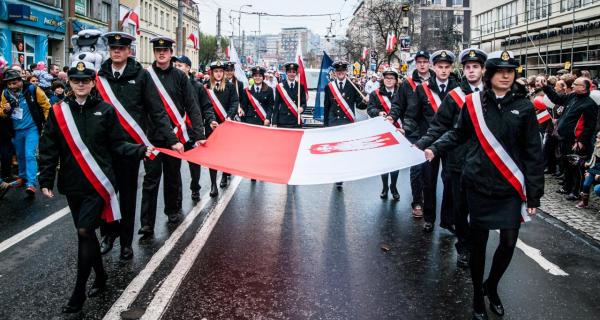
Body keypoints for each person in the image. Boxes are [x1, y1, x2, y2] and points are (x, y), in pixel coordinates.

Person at [424, 51, 543, 320]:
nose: (505, 75)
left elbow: (534, 152)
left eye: (510, 71)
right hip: (479, 182)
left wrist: (534, 195)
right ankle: (478, 293)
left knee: (509, 242)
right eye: (500, 71)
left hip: (510, 185)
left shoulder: (524, 107)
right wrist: (433, 148)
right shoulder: (473, 102)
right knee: (478, 244)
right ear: (489, 76)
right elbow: (458, 132)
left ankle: (492, 285)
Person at [38, 60, 153, 313]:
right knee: (87, 234)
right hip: (72, 183)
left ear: (93, 83)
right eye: (76, 80)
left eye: (85, 80)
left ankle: (78, 292)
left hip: (99, 183)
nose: (81, 84)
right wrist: (45, 179)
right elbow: (48, 148)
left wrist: (141, 150)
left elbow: (118, 144)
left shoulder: (106, 110)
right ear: (70, 82)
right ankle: (101, 276)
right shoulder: (58, 112)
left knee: (83, 231)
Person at [96, 32, 182, 259]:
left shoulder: (141, 76)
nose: (117, 51)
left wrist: (172, 140)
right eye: (113, 48)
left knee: (127, 196)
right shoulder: (100, 77)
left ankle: (125, 242)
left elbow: (156, 110)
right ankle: (107, 234)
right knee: (105, 193)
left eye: (121, 48)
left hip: (130, 146)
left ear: (129, 51)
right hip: (104, 148)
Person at [415, 48, 487, 267]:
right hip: (458, 160)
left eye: (476, 67)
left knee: (480, 208)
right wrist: (420, 146)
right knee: (460, 206)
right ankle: (464, 247)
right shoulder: (456, 96)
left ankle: (475, 243)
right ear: (463, 70)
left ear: (483, 70)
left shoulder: (493, 93)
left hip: (485, 161)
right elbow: (439, 126)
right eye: (468, 67)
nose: (472, 71)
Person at [138, 37, 205, 237]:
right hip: (152, 137)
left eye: (165, 50)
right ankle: (147, 223)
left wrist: (199, 134)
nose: (161, 53)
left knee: (173, 176)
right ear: (154, 52)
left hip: (175, 138)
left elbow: (192, 105)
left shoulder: (180, 77)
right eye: (158, 50)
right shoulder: (146, 76)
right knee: (150, 180)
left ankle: (173, 211)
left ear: (170, 52)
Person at [405, 50, 459, 232]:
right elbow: (412, 115)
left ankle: (448, 219)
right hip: (429, 142)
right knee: (429, 181)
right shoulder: (422, 89)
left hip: (452, 142)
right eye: (440, 67)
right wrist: (413, 136)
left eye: (447, 67)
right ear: (433, 67)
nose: (443, 70)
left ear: (451, 68)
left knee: (450, 181)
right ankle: (429, 218)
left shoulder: (459, 88)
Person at [389, 50, 434, 218]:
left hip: (431, 130)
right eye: (419, 61)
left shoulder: (436, 81)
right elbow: (398, 104)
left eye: (425, 61)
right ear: (415, 63)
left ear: (429, 63)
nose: (422, 64)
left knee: (430, 170)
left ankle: (430, 204)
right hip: (413, 130)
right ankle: (417, 202)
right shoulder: (408, 84)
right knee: (416, 168)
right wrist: (391, 116)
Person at [541, 76, 598, 200]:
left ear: (583, 88)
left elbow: (590, 126)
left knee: (576, 167)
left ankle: (576, 191)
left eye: (575, 84)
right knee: (566, 164)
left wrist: (581, 141)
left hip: (576, 141)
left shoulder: (590, 104)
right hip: (564, 137)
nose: (572, 86)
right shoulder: (572, 97)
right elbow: (557, 99)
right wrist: (546, 87)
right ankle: (567, 186)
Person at [173, 55, 218, 201]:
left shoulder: (197, 86)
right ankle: (176, 199)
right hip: (175, 131)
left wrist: (210, 119)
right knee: (173, 168)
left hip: (192, 131)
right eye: (176, 65)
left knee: (194, 164)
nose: (177, 67)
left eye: (180, 65)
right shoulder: (170, 83)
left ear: (188, 68)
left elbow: (206, 107)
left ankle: (195, 187)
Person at [1, 69, 50, 196]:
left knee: (30, 155)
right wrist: (5, 110)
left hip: (32, 129)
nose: (12, 86)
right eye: (9, 84)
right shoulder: (5, 93)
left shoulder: (33, 89)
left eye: (15, 83)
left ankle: (31, 184)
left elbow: (46, 106)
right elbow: (1, 112)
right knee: (20, 155)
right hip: (16, 130)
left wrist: (49, 123)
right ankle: (22, 177)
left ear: (20, 81)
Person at [323, 60, 367, 190]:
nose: (340, 73)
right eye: (338, 71)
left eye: (342, 71)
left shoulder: (353, 86)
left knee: (344, 151)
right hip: (334, 123)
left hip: (347, 123)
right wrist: (325, 126)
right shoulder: (329, 87)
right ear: (335, 73)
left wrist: (365, 101)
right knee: (335, 151)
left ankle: (342, 174)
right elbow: (327, 106)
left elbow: (360, 104)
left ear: (346, 72)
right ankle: (337, 175)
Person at [205, 60, 238, 196]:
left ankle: (224, 175)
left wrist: (230, 116)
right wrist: (211, 119)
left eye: (220, 71)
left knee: (224, 153)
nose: (218, 74)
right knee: (212, 156)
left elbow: (234, 102)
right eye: (216, 71)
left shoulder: (230, 87)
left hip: (226, 125)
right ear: (212, 73)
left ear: (224, 73)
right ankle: (213, 184)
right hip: (211, 126)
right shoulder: (206, 87)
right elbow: (204, 105)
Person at [367, 68, 401, 200]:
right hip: (382, 130)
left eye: (392, 78)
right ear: (383, 79)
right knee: (385, 161)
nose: (389, 80)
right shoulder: (375, 94)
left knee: (397, 161)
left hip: (398, 129)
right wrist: (378, 112)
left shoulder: (400, 93)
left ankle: (394, 186)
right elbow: (370, 109)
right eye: (387, 78)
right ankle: (385, 187)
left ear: (396, 80)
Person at [272, 62, 306, 128]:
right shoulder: (280, 86)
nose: (291, 74)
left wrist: (302, 108)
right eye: (289, 72)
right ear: (286, 73)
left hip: (295, 120)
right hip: (283, 121)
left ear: (296, 73)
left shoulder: (300, 86)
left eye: (293, 72)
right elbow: (276, 105)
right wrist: (274, 122)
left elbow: (304, 103)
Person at [576, 132, 600, 208]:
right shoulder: (596, 147)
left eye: (599, 138)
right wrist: (588, 168)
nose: (597, 139)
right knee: (586, 184)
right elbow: (593, 160)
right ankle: (584, 202)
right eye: (597, 137)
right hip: (594, 169)